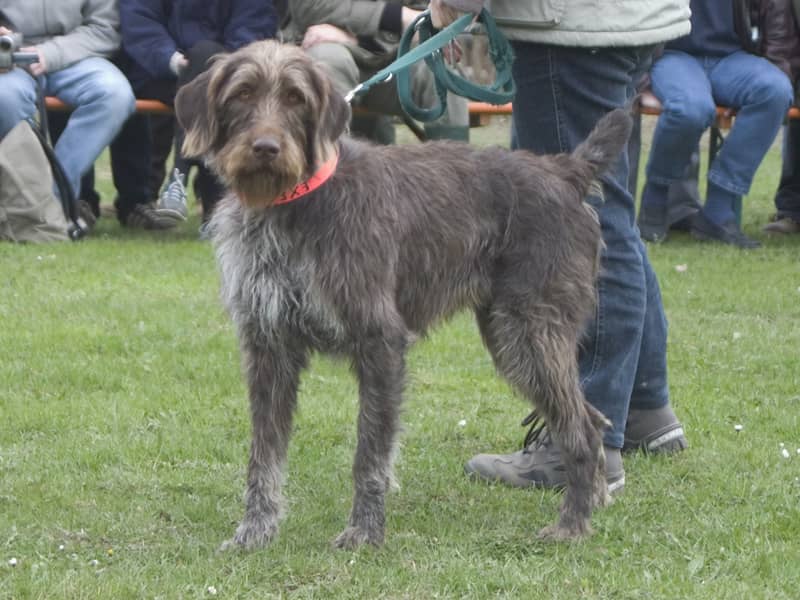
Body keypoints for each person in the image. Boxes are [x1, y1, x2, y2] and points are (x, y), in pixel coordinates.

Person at [428, 0, 690, 493]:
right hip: (625, 19)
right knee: (606, 209)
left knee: (577, 217)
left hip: (569, 26)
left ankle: (583, 440)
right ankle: (643, 409)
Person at [637, 0, 797, 248]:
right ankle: (656, 198)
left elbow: (775, 14)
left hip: (732, 58)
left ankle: (718, 210)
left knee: (775, 91)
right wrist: (640, 73)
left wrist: (776, 67)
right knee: (691, 108)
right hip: (674, 56)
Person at [115, 0, 278, 229]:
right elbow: (139, 21)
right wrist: (171, 59)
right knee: (209, 81)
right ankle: (211, 211)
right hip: (159, 73)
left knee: (208, 61)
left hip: (224, 77)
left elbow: (253, 24)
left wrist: (227, 69)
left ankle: (179, 174)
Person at [0, 0, 135, 218]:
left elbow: (105, 28)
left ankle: (53, 197)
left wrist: (52, 53)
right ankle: (19, 200)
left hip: (76, 56)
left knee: (115, 94)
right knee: (4, 99)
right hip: (10, 60)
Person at [283, 0, 470, 144]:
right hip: (324, 48)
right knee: (328, 60)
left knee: (441, 72)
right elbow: (310, 7)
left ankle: (458, 181)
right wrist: (400, 17)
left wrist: (433, 28)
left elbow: (426, 12)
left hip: (390, 54)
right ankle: (326, 178)